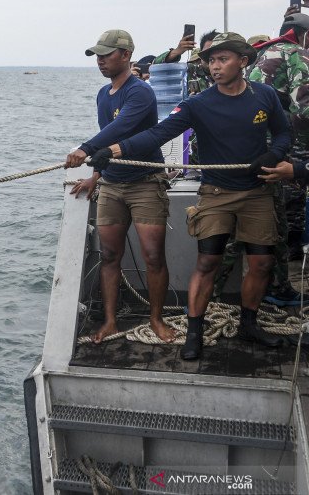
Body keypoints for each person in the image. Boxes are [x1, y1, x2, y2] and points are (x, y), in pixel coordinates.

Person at [83, 32, 291, 360]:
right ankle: (195, 330)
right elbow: (157, 132)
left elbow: (283, 133)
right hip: (216, 192)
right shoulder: (198, 104)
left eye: (222, 59)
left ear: (243, 61)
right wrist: (112, 150)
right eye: (210, 60)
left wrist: (273, 154)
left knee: (262, 262)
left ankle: (249, 324)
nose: (214, 66)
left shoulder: (264, 96)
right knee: (208, 261)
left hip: (257, 192)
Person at [64, 29, 176, 344]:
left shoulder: (141, 92)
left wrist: (84, 149)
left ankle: (156, 319)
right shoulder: (103, 94)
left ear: (125, 55)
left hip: (144, 183)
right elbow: (109, 140)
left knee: (153, 255)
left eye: (106, 54)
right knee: (110, 254)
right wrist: (95, 175)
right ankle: (110, 321)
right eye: (97, 55)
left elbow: (123, 126)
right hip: (112, 184)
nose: (100, 60)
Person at [246, 13, 309, 305]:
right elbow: (304, 108)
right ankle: (277, 287)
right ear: (302, 34)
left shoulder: (263, 53)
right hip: (283, 147)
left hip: (254, 145)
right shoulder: (296, 56)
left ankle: (247, 289)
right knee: (281, 217)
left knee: (264, 214)